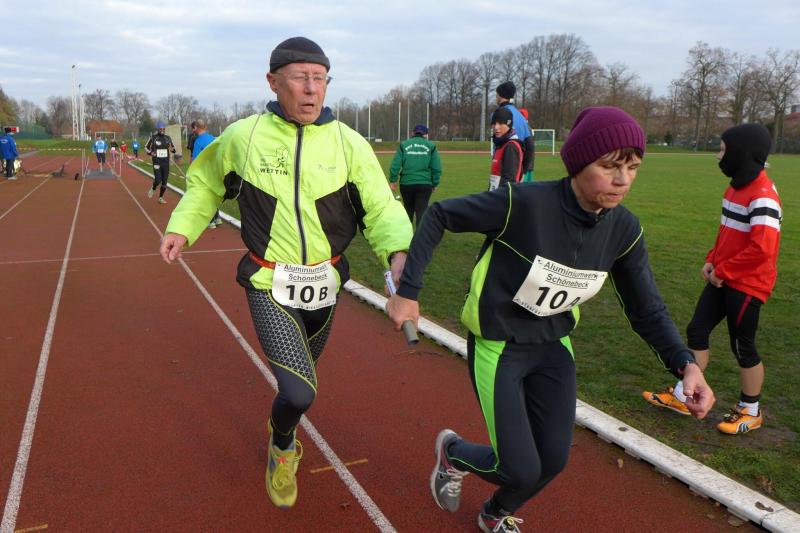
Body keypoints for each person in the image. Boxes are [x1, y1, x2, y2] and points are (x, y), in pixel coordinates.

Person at [386, 106, 715, 533]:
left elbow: (646, 309)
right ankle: (454, 454)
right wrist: (409, 292)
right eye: (609, 166)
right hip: (499, 345)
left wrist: (685, 364)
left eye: (632, 167)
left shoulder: (624, 230)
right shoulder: (522, 203)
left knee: (553, 460)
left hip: (554, 347)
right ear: (579, 164)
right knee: (519, 467)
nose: (623, 180)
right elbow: (440, 215)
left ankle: (494, 512)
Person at [159, 36, 413, 509]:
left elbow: (381, 206)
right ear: (273, 82)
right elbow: (206, 184)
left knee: (302, 382)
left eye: (320, 78)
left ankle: (285, 424)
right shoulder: (243, 137)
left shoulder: (349, 143)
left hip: (326, 285)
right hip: (268, 282)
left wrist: (399, 253)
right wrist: (182, 227)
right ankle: (282, 446)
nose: (312, 89)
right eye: (300, 78)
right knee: (298, 391)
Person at [643, 123, 781, 435]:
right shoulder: (735, 188)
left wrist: (724, 270)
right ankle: (684, 396)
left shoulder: (763, 197)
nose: (719, 156)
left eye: (723, 150)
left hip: (748, 283)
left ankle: (751, 410)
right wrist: (711, 260)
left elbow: (762, 250)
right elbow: (727, 233)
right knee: (697, 330)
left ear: (741, 154)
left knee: (742, 346)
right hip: (723, 277)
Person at [389, 124, 442, 227]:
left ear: (413, 133)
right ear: (426, 135)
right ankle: (420, 235)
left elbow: (395, 165)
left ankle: (405, 234)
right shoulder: (431, 146)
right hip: (425, 183)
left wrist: (393, 180)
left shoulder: (404, 145)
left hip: (406, 183)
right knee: (421, 211)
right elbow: (436, 167)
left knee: (408, 210)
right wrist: (435, 183)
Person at [495, 81, 535, 182]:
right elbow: (530, 146)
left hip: (502, 170)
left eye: (496, 94)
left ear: (500, 95)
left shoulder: (499, 114)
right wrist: (524, 170)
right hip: (518, 171)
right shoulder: (521, 117)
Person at [190, 119, 221, 229]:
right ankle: (217, 218)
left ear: (196, 128)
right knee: (214, 194)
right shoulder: (213, 138)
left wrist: (191, 172)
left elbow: (195, 160)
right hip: (215, 171)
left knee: (206, 196)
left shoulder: (198, 142)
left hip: (205, 173)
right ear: (205, 127)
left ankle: (211, 221)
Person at [488, 107, 523, 191]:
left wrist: (498, 196)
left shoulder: (511, 147)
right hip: (495, 194)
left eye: (500, 123)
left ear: (508, 124)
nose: (496, 127)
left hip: (503, 197)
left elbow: (509, 181)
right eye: (494, 123)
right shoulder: (501, 144)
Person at [145, 121, 177, 204]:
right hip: (157, 162)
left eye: (163, 129)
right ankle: (153, 188)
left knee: (164, 182)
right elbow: (146, 147)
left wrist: (172, 149)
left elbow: (173, 149)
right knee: (158, 180)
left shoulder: (168, 138)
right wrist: (150, 153)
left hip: (165, 162)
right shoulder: (153, 137)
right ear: (158, 129)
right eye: (160, 129)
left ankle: (160, 197)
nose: (162, 130)